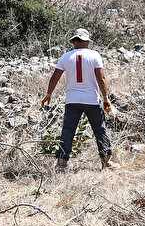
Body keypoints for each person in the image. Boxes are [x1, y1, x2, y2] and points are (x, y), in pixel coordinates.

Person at [41, 28, 117, 172]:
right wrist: (105, 98)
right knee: (99, 130)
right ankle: (106, 162)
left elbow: (55, 77)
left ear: (74, 42)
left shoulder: (65, 57)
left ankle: (61, 164)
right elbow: (101, 78)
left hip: (72, 100)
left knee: (68, 131)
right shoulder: (94, 55)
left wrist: (48, 94)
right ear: (87, 42)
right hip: (91, 100)